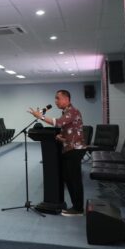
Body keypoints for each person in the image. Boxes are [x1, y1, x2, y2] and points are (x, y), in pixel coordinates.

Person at [29, 89, 86, 217]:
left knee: (74, 180)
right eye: (55, 98)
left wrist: (40, 116)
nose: (55, 101)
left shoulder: (72, 111)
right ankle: (76, 206)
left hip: (74, 149)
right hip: (70, 148)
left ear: (66, 99)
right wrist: (61, 136)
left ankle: (78, 209)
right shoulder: (66, 112)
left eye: (57, 98)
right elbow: (68, 128)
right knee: (69, 178)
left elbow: (59, 123)